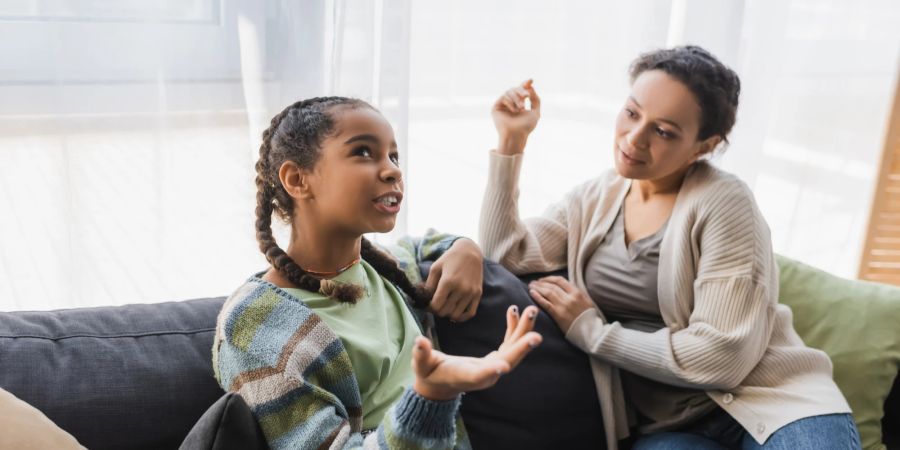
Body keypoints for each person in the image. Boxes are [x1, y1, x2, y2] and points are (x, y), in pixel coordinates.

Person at [480, 46, 860, 450]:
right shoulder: (594, 199)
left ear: (703, 146)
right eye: (631, 112)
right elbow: (505, 254)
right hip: (669, 428)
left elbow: (721, 357)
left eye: (663, 131)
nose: (635, 137)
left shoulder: (724, 201)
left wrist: (592, 332)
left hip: (775, 402)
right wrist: (511, 141)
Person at [212, 96, 543, 449]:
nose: (393, 171)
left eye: (394, 156)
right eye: (363, 152)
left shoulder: (386, 270)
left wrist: (466, 248)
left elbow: (423, 246)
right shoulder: (253, 326)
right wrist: (429, 395)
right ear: (297, 179)